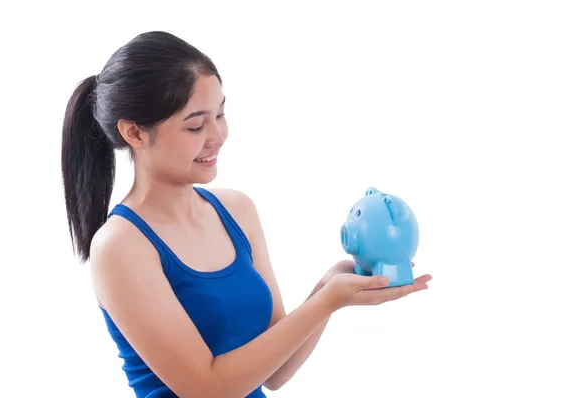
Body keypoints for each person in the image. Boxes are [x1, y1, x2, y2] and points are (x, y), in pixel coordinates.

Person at [61, 30, 432, 398]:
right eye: (195, 124)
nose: (217, 136)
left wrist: (329, 287)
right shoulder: (120, 246)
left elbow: (275, 373)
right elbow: (207, 389)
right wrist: (327, 300)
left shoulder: (236, 211)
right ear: (134, 133)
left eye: (220, 115)